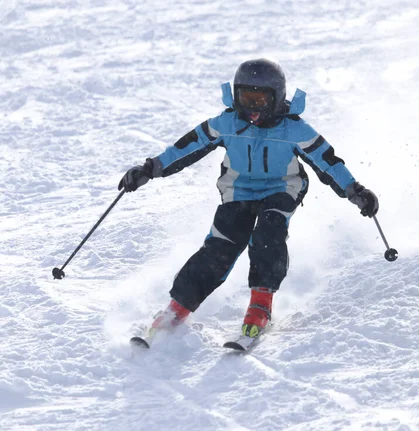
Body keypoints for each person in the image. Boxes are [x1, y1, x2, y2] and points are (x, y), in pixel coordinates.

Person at [119, 58, 379, 339]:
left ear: (277, 98)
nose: (253, 108)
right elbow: (186, 147)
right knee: (222, 242)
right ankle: (178, 307)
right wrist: (149, 169)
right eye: (246, 98)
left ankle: (261, 303)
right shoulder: (227, 123)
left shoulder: (294, 130)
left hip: (282, 188)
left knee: (270, 230)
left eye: (261, 100)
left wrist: (354, 191)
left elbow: (328, 162)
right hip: (238, 189)